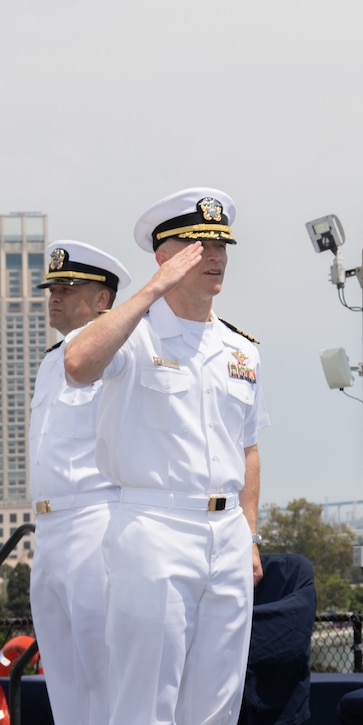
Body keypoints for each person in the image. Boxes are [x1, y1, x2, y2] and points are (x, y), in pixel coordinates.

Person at [64, 188, 270, 725]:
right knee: (144, 702)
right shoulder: (132, 334)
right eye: (199, 245)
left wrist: (248, 533)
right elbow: (80, 364)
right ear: (164, 256)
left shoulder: (242, 349)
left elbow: (248, 447)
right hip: (153, 527)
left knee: (218, 704)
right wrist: (153, 292)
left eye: (222, 243)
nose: (217, 255)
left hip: (226, 536)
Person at [29, 240, 130, 724]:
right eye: (53, 288)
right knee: (63, 677)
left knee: (105, 669)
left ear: (102, 301)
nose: (56, 296)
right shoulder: (52, 360)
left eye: (69, 288)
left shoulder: (114, 355)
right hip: (48, 529)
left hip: (95, 520)